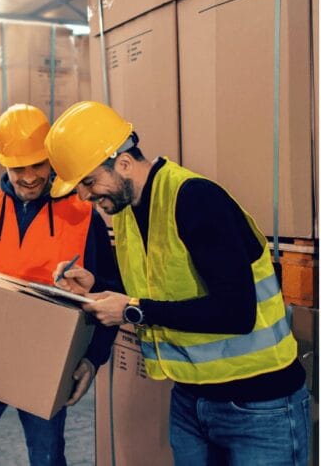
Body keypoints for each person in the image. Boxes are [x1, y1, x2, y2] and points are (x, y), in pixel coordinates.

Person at [46, 101, 309, 466]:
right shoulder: (124, 211)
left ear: (122, 162)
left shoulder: (195, 199)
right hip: (190, 400)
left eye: (89, 182)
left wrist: (131, 310)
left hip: (258, 405)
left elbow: (237, 313)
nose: (85, 196)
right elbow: (156, 285)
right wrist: (96, 285)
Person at [0, 104, 121, 466]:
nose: (28, 177)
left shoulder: (82, 214)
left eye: (37, 165)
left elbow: (109, 289)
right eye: (18, 167)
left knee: (48, 458)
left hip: (47, 363)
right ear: (2, 163)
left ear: (51, 161)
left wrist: (92, 358)